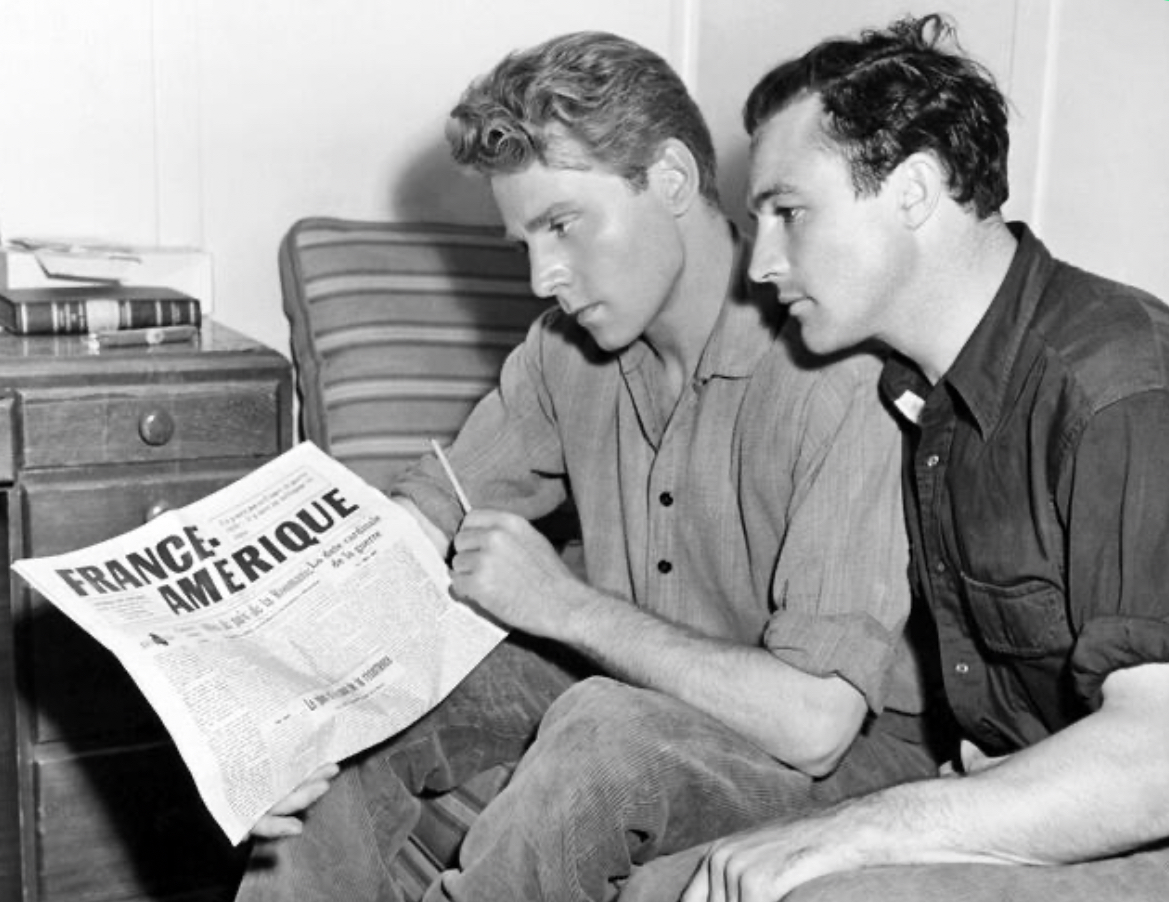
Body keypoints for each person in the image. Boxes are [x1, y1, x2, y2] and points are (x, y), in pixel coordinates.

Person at [238, 31, 922, 901]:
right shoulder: (566, 352)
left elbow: (815, 723)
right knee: (373, 688)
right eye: (524, 240)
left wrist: (562, 603)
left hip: (840, 759)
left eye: (562, 224)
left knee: (603, 727)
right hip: (646, 693)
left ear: (671, 180)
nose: (541, 277)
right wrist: (282, 688)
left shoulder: (839, 372)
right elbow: (423, 511)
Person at [618, 13, 1169, 901]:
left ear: (913, 190)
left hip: (1142, 820)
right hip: (1019, 794)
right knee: (667, 890)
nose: (758, 264)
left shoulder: (1115, 386)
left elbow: (1156, 758)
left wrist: (864, 831)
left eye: (789, 213)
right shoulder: (917, 391)